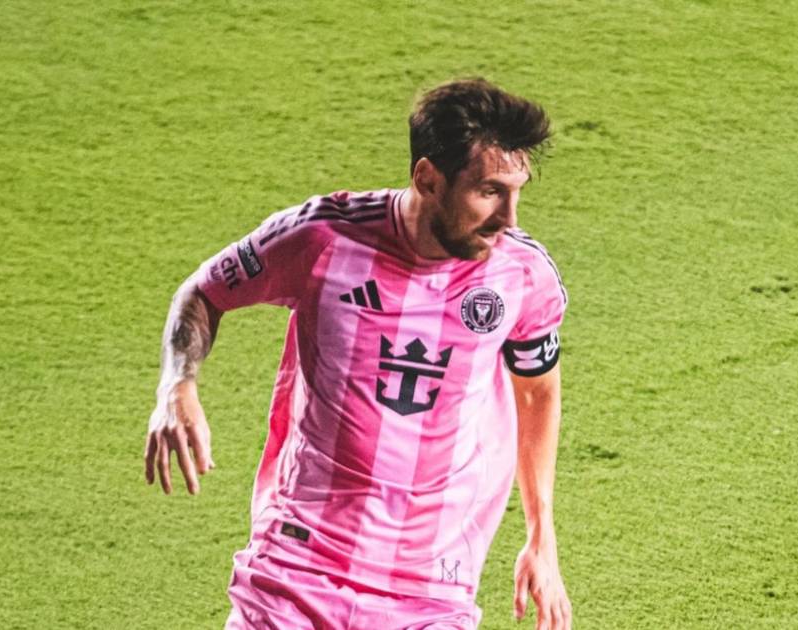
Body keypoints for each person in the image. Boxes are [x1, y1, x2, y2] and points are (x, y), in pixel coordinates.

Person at [143, 78, 572, 630]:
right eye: (489, 191)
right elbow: (203, 294)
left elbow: (536, 391)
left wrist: (541, 535)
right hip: (300, 563)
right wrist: (176, 385)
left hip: (431, 585)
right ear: (428, 178)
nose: (509, 217)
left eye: (517, 191)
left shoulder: (522, 274)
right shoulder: (323, 238)